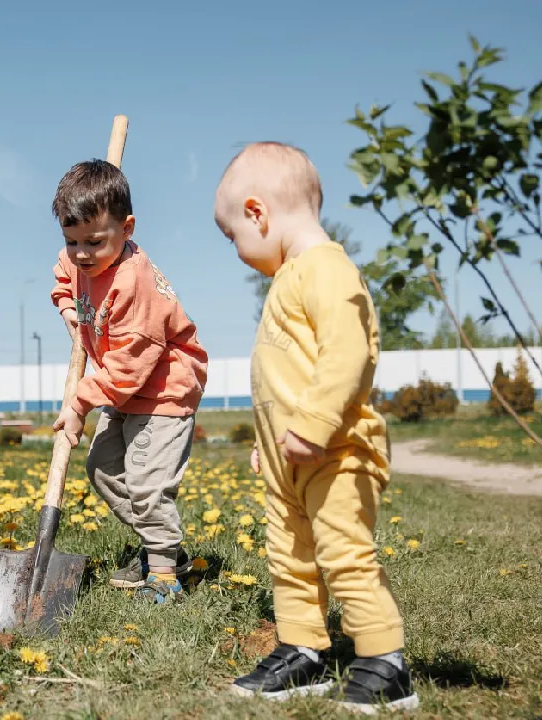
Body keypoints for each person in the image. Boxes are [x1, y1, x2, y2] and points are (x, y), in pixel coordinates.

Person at [213, 141, 418, 713]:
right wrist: (266, 441)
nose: (237, 251)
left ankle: (385, 659)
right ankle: (303, 650)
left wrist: (314, 425)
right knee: (290, 557)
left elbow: (348, 354)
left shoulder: (327, 268)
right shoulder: (292, 275)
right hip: (289, 460)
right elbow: (287, 370)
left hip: (335, 450)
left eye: (234, 237)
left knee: (342, 551)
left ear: (258, 213)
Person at [49, 159, 208, 604]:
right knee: (102, 469)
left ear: (128, 228)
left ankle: (162, 573)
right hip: (123, 387)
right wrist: (69, 312)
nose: (81, 253)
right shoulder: (79, 257)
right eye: (72, 240)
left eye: (94, 242)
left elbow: (126, 369)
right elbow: (64, 276)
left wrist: (78, 405)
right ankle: (167, 548)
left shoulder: (134, 284)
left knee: (146, 483)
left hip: (162, 389)